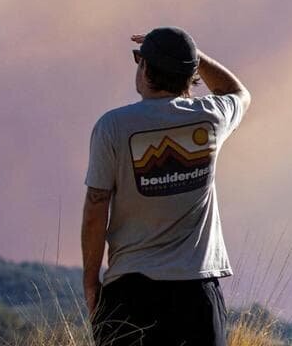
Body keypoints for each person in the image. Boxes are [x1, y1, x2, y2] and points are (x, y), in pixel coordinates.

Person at [82, 26, 251, 346]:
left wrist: (91, 281)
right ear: (189, 75)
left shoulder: (112, 127)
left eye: (138, 60)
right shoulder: (210, 118)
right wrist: (193, 57)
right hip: (196, 292)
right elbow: (238, 92)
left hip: (129, 293)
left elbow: (96, 205)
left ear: (145, 68)